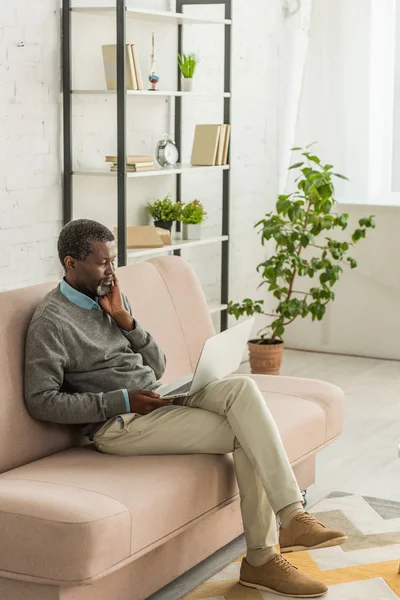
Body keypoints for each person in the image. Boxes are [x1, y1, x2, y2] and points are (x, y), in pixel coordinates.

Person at [25, 219, 347, 598]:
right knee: (248, 433)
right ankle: (262, 557)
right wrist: (124, 400)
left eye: (114, 261)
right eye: (103, 263)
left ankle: (291, 518)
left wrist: (125, 321)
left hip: (158, 396)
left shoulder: (111, 297)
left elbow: (158, 366)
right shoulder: (51, 321)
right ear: (70, 263)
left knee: (241, 387)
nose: (112, 272)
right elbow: (41, 401)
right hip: (120, 423)